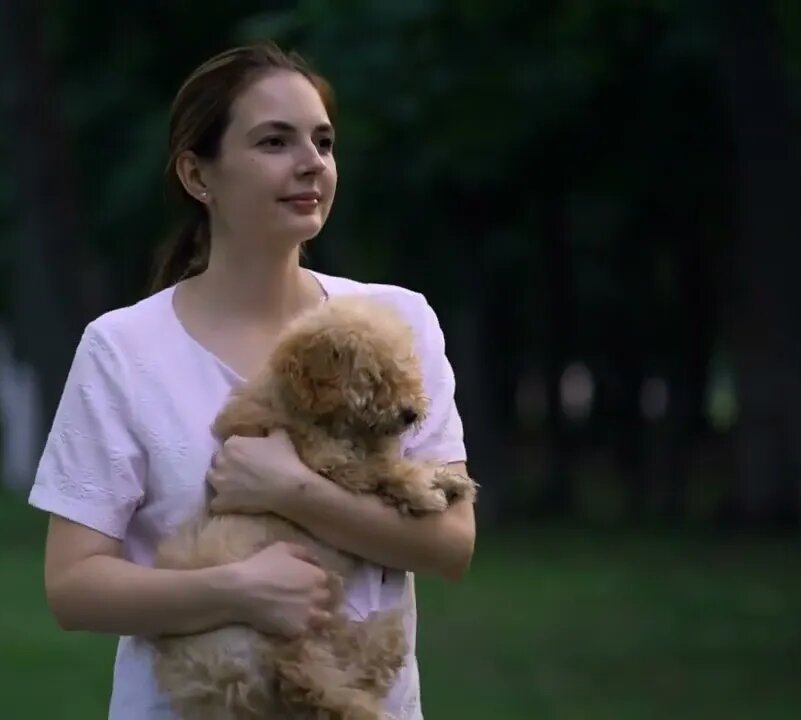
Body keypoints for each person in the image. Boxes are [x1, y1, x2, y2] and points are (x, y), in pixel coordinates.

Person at [27, 41, 476, 719]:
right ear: (197, 175)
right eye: (275, 141)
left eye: (323, 142)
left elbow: (450, 546)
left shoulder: (394, 323)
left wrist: (291, 489)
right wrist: (237, 590)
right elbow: (73, 586)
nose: (311, 164)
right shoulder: (123, 350)